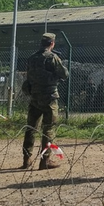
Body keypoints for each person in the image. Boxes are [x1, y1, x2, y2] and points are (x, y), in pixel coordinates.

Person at [21, 32, 68, 170]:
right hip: (49, 97)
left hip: (34, 96)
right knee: (48, 128)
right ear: (52, 43)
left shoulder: (32, 58)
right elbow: (64, 74)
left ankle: (26, 159)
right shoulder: (52, 58)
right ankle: (45, 160)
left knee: (31, 128)